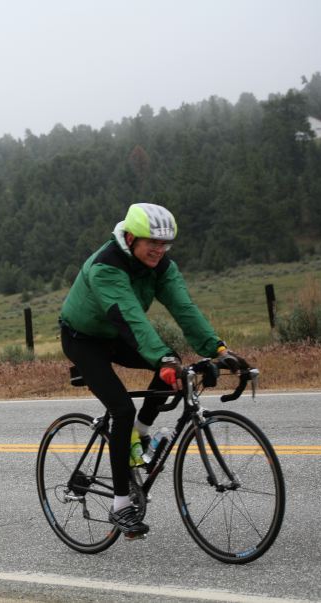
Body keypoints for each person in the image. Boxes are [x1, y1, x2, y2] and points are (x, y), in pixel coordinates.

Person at [59, 203, 245, 538]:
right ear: (130, 237)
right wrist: (162, 358)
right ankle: (119, 505)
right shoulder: (106, 266)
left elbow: (183, 307)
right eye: (152, 243)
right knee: (121, 408)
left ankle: (140, 436)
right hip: (84, 340)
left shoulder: (160, 266)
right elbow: (130, 316)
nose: (159, 250)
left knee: (171, 365)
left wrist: (219, 349)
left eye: (165, 244)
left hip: (118, 336)